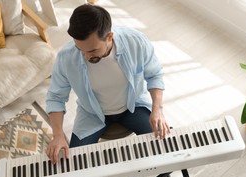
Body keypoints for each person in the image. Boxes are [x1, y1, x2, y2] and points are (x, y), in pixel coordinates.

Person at [45, 4, 170, 163]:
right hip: (92, 114)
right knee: (75, 164)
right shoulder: (66, 57)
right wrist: (58, 135)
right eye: (80, 49)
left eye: (92, 50)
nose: (86, 57)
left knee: (167, 146)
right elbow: (55, 97)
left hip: (134, 106)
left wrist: (158, 109)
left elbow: (155, 75)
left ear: (109, 37)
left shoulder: (136, 42)